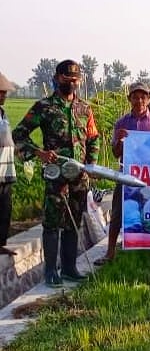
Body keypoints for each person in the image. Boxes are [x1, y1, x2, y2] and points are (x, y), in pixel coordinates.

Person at [13, 60, 100, 287]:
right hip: (55, 176)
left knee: (74, 221)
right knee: (52, 223)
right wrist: (38, 153)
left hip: (79, 176)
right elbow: (19, 134)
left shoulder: (85, 108)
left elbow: (93, 138)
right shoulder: (44, 107)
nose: (71, 83)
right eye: (66, 78)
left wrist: (91, 165)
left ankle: (70, 268)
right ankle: (51, 271)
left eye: (75, 79)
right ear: (57, 78)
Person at [94, 82, 150, 266]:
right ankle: (110, 253)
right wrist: (119, 139)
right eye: (135, 97)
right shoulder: (122, 123)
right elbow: (116, 153)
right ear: (129, 99)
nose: (139, 100)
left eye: (143, 97)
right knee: (118, 212)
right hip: (126, 174)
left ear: (148, 99)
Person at [0, 73, 17, 256]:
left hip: (5, 167)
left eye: (4, 92)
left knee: (5, 208)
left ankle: (1, 242)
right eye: (1, 92)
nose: (4, 96)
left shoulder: (3, 113)